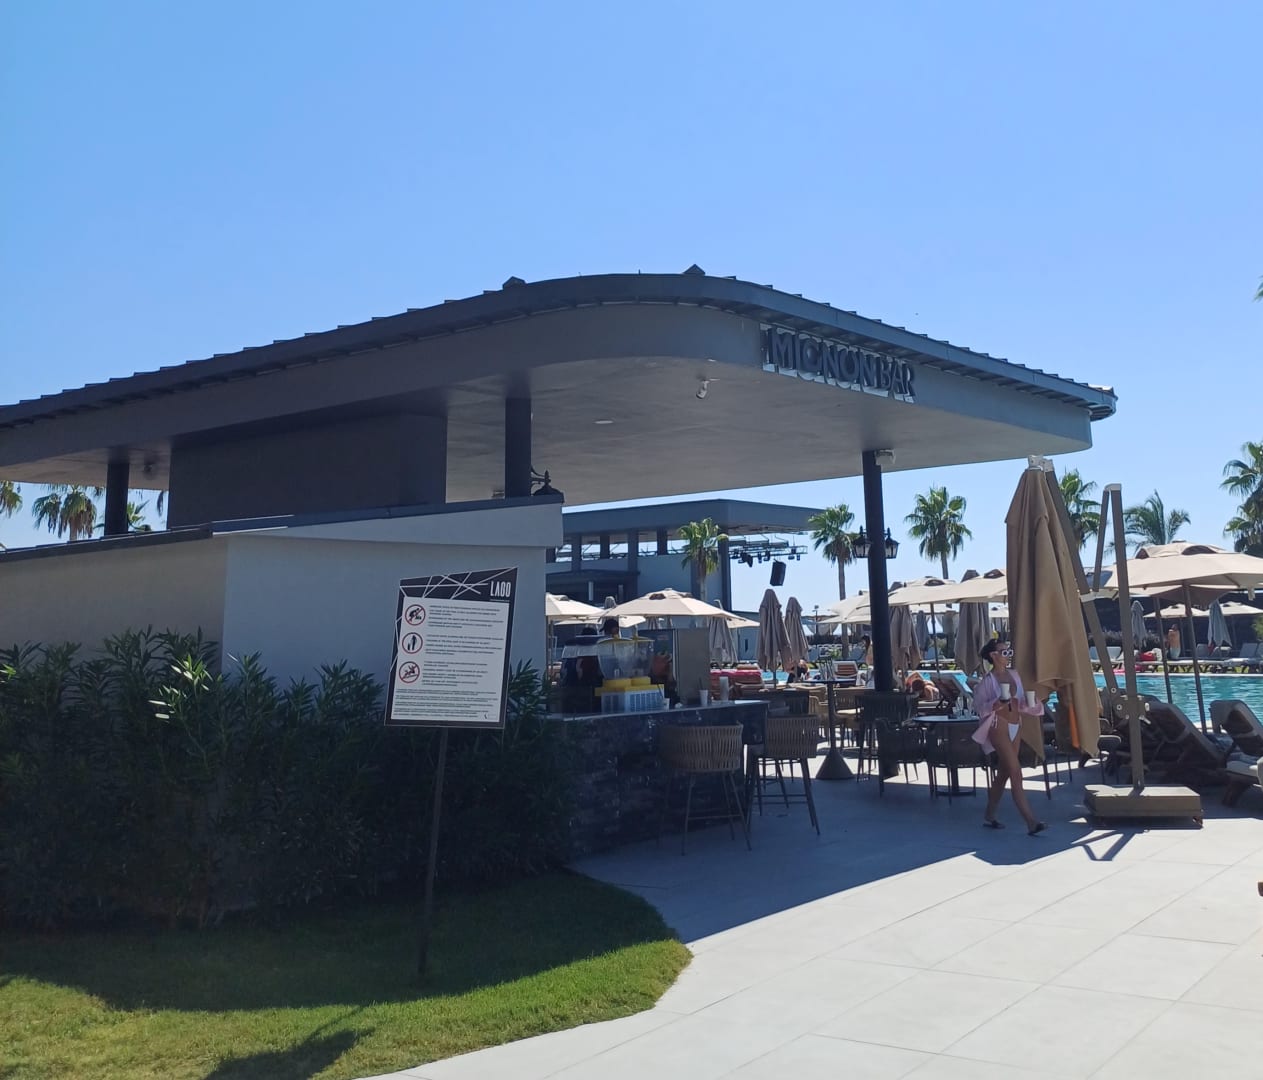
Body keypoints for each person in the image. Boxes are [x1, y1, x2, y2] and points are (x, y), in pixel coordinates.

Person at [971, 639, 1047, 836]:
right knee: (1015, 771)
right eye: (1004, 652)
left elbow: (1020, 702)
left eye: (1009, 651)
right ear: (993, 656)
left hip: (1016, 724)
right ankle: (1031, 821)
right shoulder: (987, 681)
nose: (1008, 655)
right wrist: (996, 704)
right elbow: (979, 708)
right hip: (999, 725)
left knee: (1004, 772)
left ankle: (989, 814)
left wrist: (1030, 703)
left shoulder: (1014, 675)